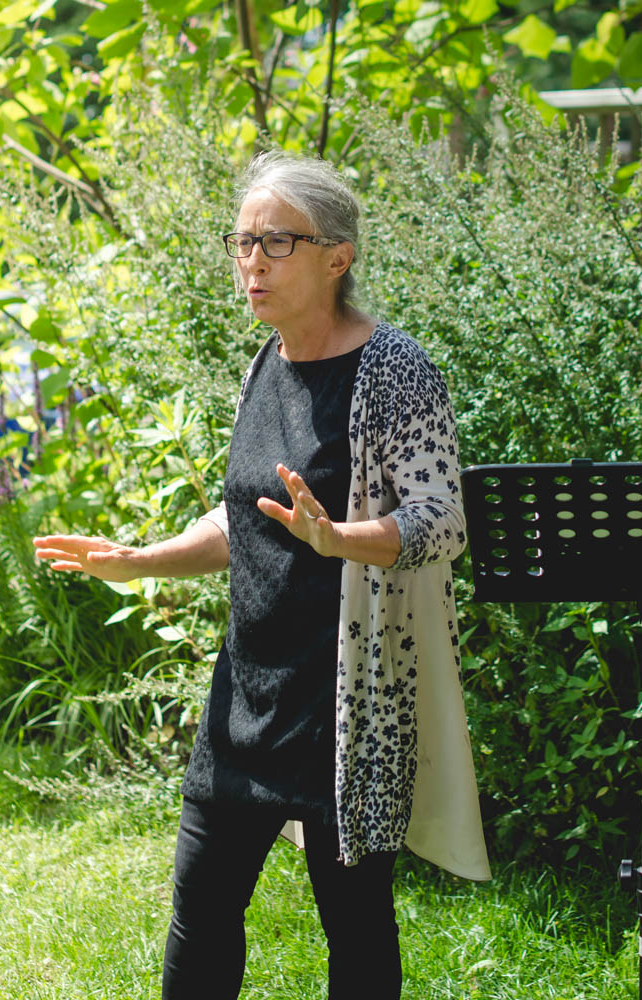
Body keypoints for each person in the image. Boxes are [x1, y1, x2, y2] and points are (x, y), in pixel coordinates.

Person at [33, 150, 490, 999]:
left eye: (277, 242)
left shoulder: (395, 370)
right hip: (247, 693)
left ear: (337, 256)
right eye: (243, 242)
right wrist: (140, 562)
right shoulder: (266, 365)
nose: (253, 262)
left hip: (349, 700)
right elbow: (241, 519)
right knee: (201, 909)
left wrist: (337, 537)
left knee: (354, 922)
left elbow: (443, 522)